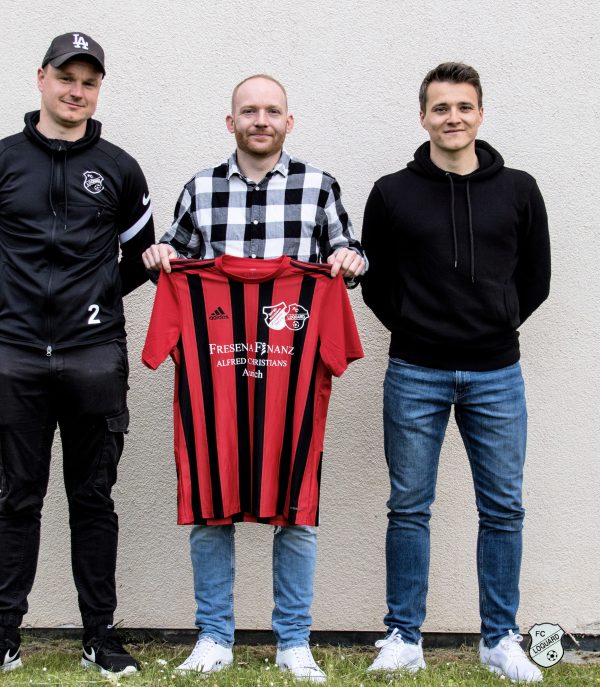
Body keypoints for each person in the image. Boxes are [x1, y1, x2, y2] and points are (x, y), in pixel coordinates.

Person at [142, 74, 366, 683]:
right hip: (212, 392)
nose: (260, 119)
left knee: (296, 510)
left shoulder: (319, 187)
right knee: (211, 506)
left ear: (288, 121)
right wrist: (160, 257)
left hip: (289, 392)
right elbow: (173, 255)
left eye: (271, 111)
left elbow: (349, 255)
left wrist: (349, 262)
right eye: (249, 111)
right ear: (231, 121)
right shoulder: (201, 187)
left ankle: (293, 640)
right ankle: (214, 636)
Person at [0, 32, 155, 680]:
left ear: (98, 89)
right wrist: (17, 303)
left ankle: (101, 635)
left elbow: (139, 259)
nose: (76, 90)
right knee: (18, 498)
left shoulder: (121, 168)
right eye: (66, 76)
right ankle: (1, 636)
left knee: (93, 498)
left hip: (94, 357)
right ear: (41, 77)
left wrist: (91, 304)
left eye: (89, 81)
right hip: (13, 358)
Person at [360, 62, 550, 683]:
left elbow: (536, 279)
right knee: (409, 506)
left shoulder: (519, 189)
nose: (453, 118)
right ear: (423, 117)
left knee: (503, 508)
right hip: (416, 370)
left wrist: (496, 321)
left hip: (497, 373)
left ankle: (500, 639)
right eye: (441, 108)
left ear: (480, 114)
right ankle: (403, 636)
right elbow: (378, 284)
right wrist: (416, 325)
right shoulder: (391, 192)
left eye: (464, 107)